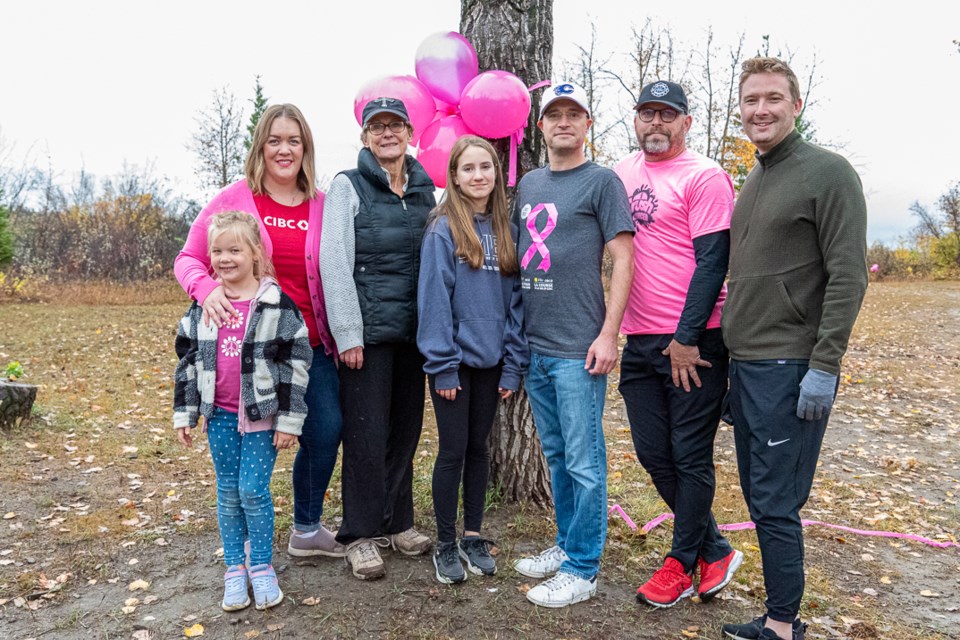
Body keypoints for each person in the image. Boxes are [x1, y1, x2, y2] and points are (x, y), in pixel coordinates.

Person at [720, 57, 868, 640]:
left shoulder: (828, 173)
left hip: (792, 366)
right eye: (751, 99)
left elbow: (849, 275)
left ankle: (782, 626)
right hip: (749, 365)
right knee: (760, 496)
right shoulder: (755, 177)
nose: (761, 109)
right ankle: (777, 616)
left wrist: (824, 366)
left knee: (777, 502)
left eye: (773, 98)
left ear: (796, 105)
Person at [175, 104, 345, 559]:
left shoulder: (323, 205)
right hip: (246, 352)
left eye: (294, 140)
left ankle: (307, 528)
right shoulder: (234, 198)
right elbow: (188, 258)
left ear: (305, 147)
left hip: (309, 344)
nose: (284, 149)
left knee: (326, 429)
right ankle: (246, 531)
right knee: (248, 444)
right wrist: (206, 288)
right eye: (275, 140)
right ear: (261, 147)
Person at [614, 80, 742, 608]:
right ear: (637, 120)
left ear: (686, 122)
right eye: (647, 114)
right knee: (652, 453)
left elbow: (713, 261)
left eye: (667, 115)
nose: (656, 124)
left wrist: (687, 339)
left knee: (689, 456)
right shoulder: (621, 172)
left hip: (693, 342)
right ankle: (714, 548)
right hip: (640, 340)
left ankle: (680, 563)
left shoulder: (705, 176)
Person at [511, 82, 634, 608]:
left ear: (587, 125)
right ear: (541, 127)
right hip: (535, 348)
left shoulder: (602, 182)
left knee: (586, 463)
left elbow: (624, 259)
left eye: (574, 114)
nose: (564, 122)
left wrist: (609, 334)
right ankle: (565, 546)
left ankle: (583, 569)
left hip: (578, 350)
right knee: (558, 458)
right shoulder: (530, 182)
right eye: (553, 114)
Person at [320, 97, 437, 580]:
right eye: (377, 126)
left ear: (410, 131)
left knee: (405, 430)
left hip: (416, 335)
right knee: (366, 434)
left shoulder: (427, 189)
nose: (387, 133)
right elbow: (334, 262)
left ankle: (398, 521)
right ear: (365, 136)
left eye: (395, 125)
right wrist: (348, 332)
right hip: (366, 337)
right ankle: (360, 535)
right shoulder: (348, 187)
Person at [173, 211, 312, 611]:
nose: (224, 258)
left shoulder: (274, 303)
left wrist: (289, 420)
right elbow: (187, 359)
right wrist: (186, 412)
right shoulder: (204, 305)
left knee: (252, 490)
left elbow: (297, 363)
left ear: (255, 253)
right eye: (217, 250)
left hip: (262, 417)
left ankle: (262, 566)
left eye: (234, 249)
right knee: (228, 492)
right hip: (218, 416)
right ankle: (235, 567)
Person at [417, 136, 529, 585]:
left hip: (492, 363)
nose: (478, 175)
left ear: (497, 173)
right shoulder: (443, 228)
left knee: (479, 450)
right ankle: (445, 542)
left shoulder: (506, 229)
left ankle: (472, 534)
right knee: (452, 450)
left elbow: (516, 302)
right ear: (455, 176)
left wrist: (513, 362)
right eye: (468, 168)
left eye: (486, 167)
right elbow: (434, 302)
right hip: (454, 365)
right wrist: (442, 364)